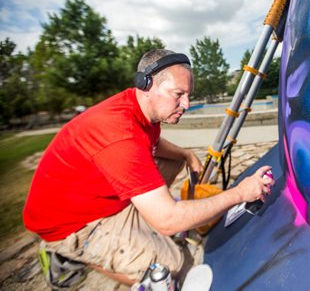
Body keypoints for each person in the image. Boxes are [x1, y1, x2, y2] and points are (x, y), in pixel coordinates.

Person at [23, 49, 274, 287]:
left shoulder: (141, 110)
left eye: (188, 95)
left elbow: (153, 143)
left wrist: (186, 154)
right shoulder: (119, 134)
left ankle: (145, 211)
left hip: (98, 198)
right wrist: (240, 194)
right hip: (72, 224)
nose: (186, 104)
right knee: (172, 267)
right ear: (146, 84)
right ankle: (74, 254)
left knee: (173, 162)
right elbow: (168, 221)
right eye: (178, 94)